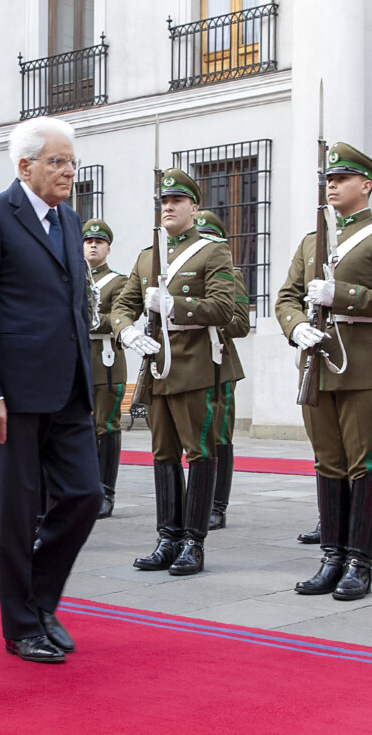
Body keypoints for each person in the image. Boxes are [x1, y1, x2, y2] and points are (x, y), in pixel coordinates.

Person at [0, 117, 102, 666]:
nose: (69, 170)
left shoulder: (69, 219)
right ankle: (21, 625)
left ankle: (41, 600)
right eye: (57, 161)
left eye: (71, 161)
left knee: (85, 494)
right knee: (16, 513)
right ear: (25, 167)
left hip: (68, 386)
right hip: (13, 394)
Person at [277, 142, 372, 601]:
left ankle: (359, 563)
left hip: (364, 369)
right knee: (328, 464)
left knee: (364, 465)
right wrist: (296, 330)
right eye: (328, 180)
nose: (331, 185)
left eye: (341, 179)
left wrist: (341, 295)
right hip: (318, 365)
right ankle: (332, 557)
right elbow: (286, 298)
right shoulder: (313, 241)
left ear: (365, 185)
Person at [110, 168, 235, 576]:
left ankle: (193, 543)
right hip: (157, 370)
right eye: (163, 202)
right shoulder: (149, 256)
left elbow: (224, 308)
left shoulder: (212, 252)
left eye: (176, 202)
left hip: (195, 367)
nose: (168, 207)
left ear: (194, 208)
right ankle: (168, 537)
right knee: (162, 454)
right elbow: (123, 303)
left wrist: (174, 306)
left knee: (199, 453)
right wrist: (126, 329)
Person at [193, 210, 250, 530]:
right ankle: (198, 500)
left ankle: (217, 505)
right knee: (196, 436)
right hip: (188, 364)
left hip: (220, 365)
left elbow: (240, 323)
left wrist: (202, 312)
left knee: (219, 435)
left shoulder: (232, 273)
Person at [83, 218, 128, 518]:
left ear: (108, 248)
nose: (93, 245)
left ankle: (105, 492)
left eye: (99, 242)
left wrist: (98, 320)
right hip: (78, 361)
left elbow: (124, 314)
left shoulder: (118, 282)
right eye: (89, 241)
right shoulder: (75, 278)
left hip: (105, 361)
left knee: (105, 425)